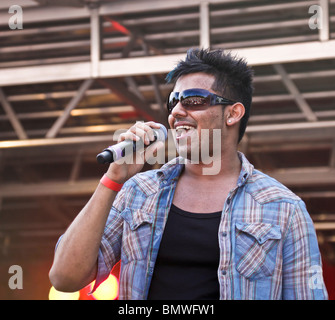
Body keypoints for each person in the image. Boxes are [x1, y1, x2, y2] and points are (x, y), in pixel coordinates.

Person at [49, 48, 328, 300]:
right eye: (174, 101)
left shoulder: (283, 208)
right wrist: (112, 180)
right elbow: (64, 277)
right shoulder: (139, 192)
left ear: (233, 113)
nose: (177, 112)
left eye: (194, 100)